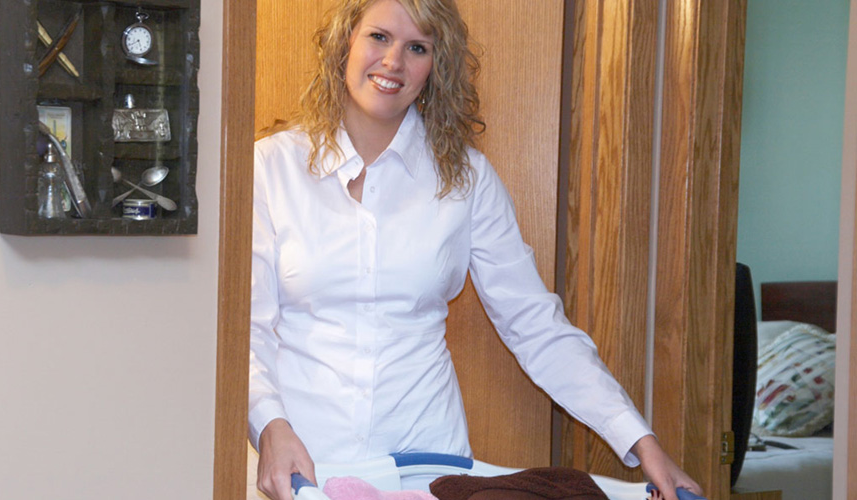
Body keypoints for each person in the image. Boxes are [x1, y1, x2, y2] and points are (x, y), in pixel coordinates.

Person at [249, 1, 702, 500]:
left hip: (429, 467)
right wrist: (269, 425)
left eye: (417, 47)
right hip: (301, 467)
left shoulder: (467, 179)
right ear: (344, 43)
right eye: (378, 37)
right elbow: (246, 330)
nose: (393, 61)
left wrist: (640, 441)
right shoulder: (270, 167)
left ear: (435, 66)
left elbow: (535, 325)